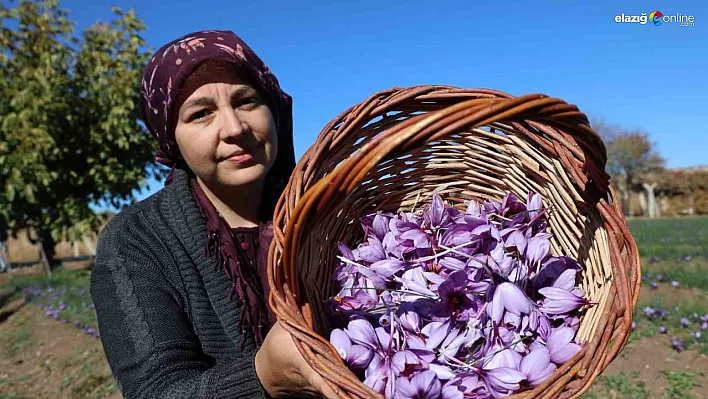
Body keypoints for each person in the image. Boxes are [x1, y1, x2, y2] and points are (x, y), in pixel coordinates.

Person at [90, 30, 337, 399]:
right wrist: (263, 376)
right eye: (201, 113)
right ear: (171, 138)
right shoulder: (135, 241)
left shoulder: (326, 211)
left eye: (247, 101)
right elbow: (154, 390)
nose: (235, 128)